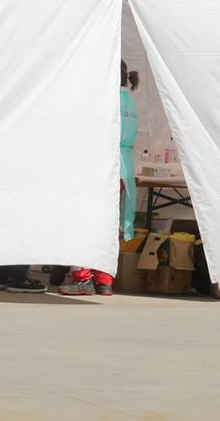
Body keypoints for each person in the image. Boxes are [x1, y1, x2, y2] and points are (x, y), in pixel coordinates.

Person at [60, 61, 140, 296]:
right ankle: (104, 279)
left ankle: (82, 279)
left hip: (101, 167)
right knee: (109, 224)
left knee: (84, 222)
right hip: (123, 168)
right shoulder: (129, 101)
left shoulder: (104, 99)